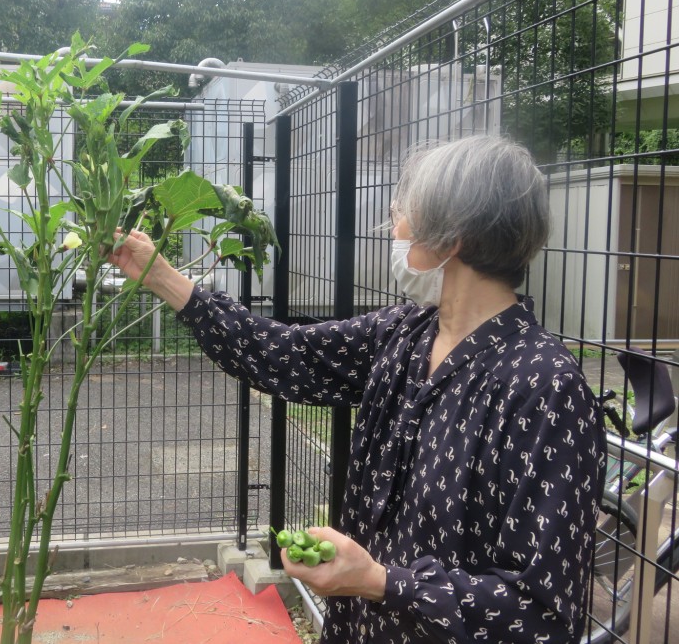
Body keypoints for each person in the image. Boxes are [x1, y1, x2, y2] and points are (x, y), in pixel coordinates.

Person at [109, 135, 606, 644]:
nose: (395, 230)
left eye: (403, 216)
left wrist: (379, 582)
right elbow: (286, 354)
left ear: (451, 236)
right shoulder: (408, 332)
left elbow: (542, 616)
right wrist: (162, 276)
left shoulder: (544, 389)